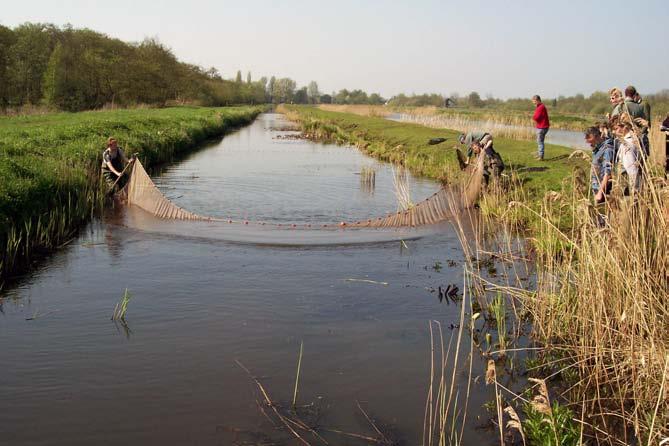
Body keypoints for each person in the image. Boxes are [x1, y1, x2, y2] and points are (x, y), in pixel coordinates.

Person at [612, 86, 649, 157]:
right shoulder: (640, 107)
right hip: (638, 139)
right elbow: (645, 124)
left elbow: (614, 122)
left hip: (624, 138)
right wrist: (639, 134)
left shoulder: (621, 106)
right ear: (634, 95)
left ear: (625, 94)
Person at [585, 126, 614, 203]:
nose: (588, 143)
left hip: (603, 189)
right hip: (596, 186)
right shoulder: (598, 148)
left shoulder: (607, 149)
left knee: (602, 213)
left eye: (591, 140)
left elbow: (608, 173)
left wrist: (600, 193)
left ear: (597, 136)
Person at [613, 121, 641, 194]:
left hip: (627, 182)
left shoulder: (628, 143)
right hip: (626, 180)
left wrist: (634, 188)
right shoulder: (630, 140)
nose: (614, 131)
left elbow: (631, 168)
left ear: (625, 128)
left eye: (616, 128)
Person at [531, 95, 550, 160]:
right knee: (540, 141)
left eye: (534, 101)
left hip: (542, 127)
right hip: (543, 126)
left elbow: (536, 117)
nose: (533, 103)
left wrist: (533, 117)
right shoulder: (540, 106)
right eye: (533, 101)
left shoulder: (541, 107)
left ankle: (541, 156)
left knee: (540, 141)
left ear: (538, 100)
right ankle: (539, 154)